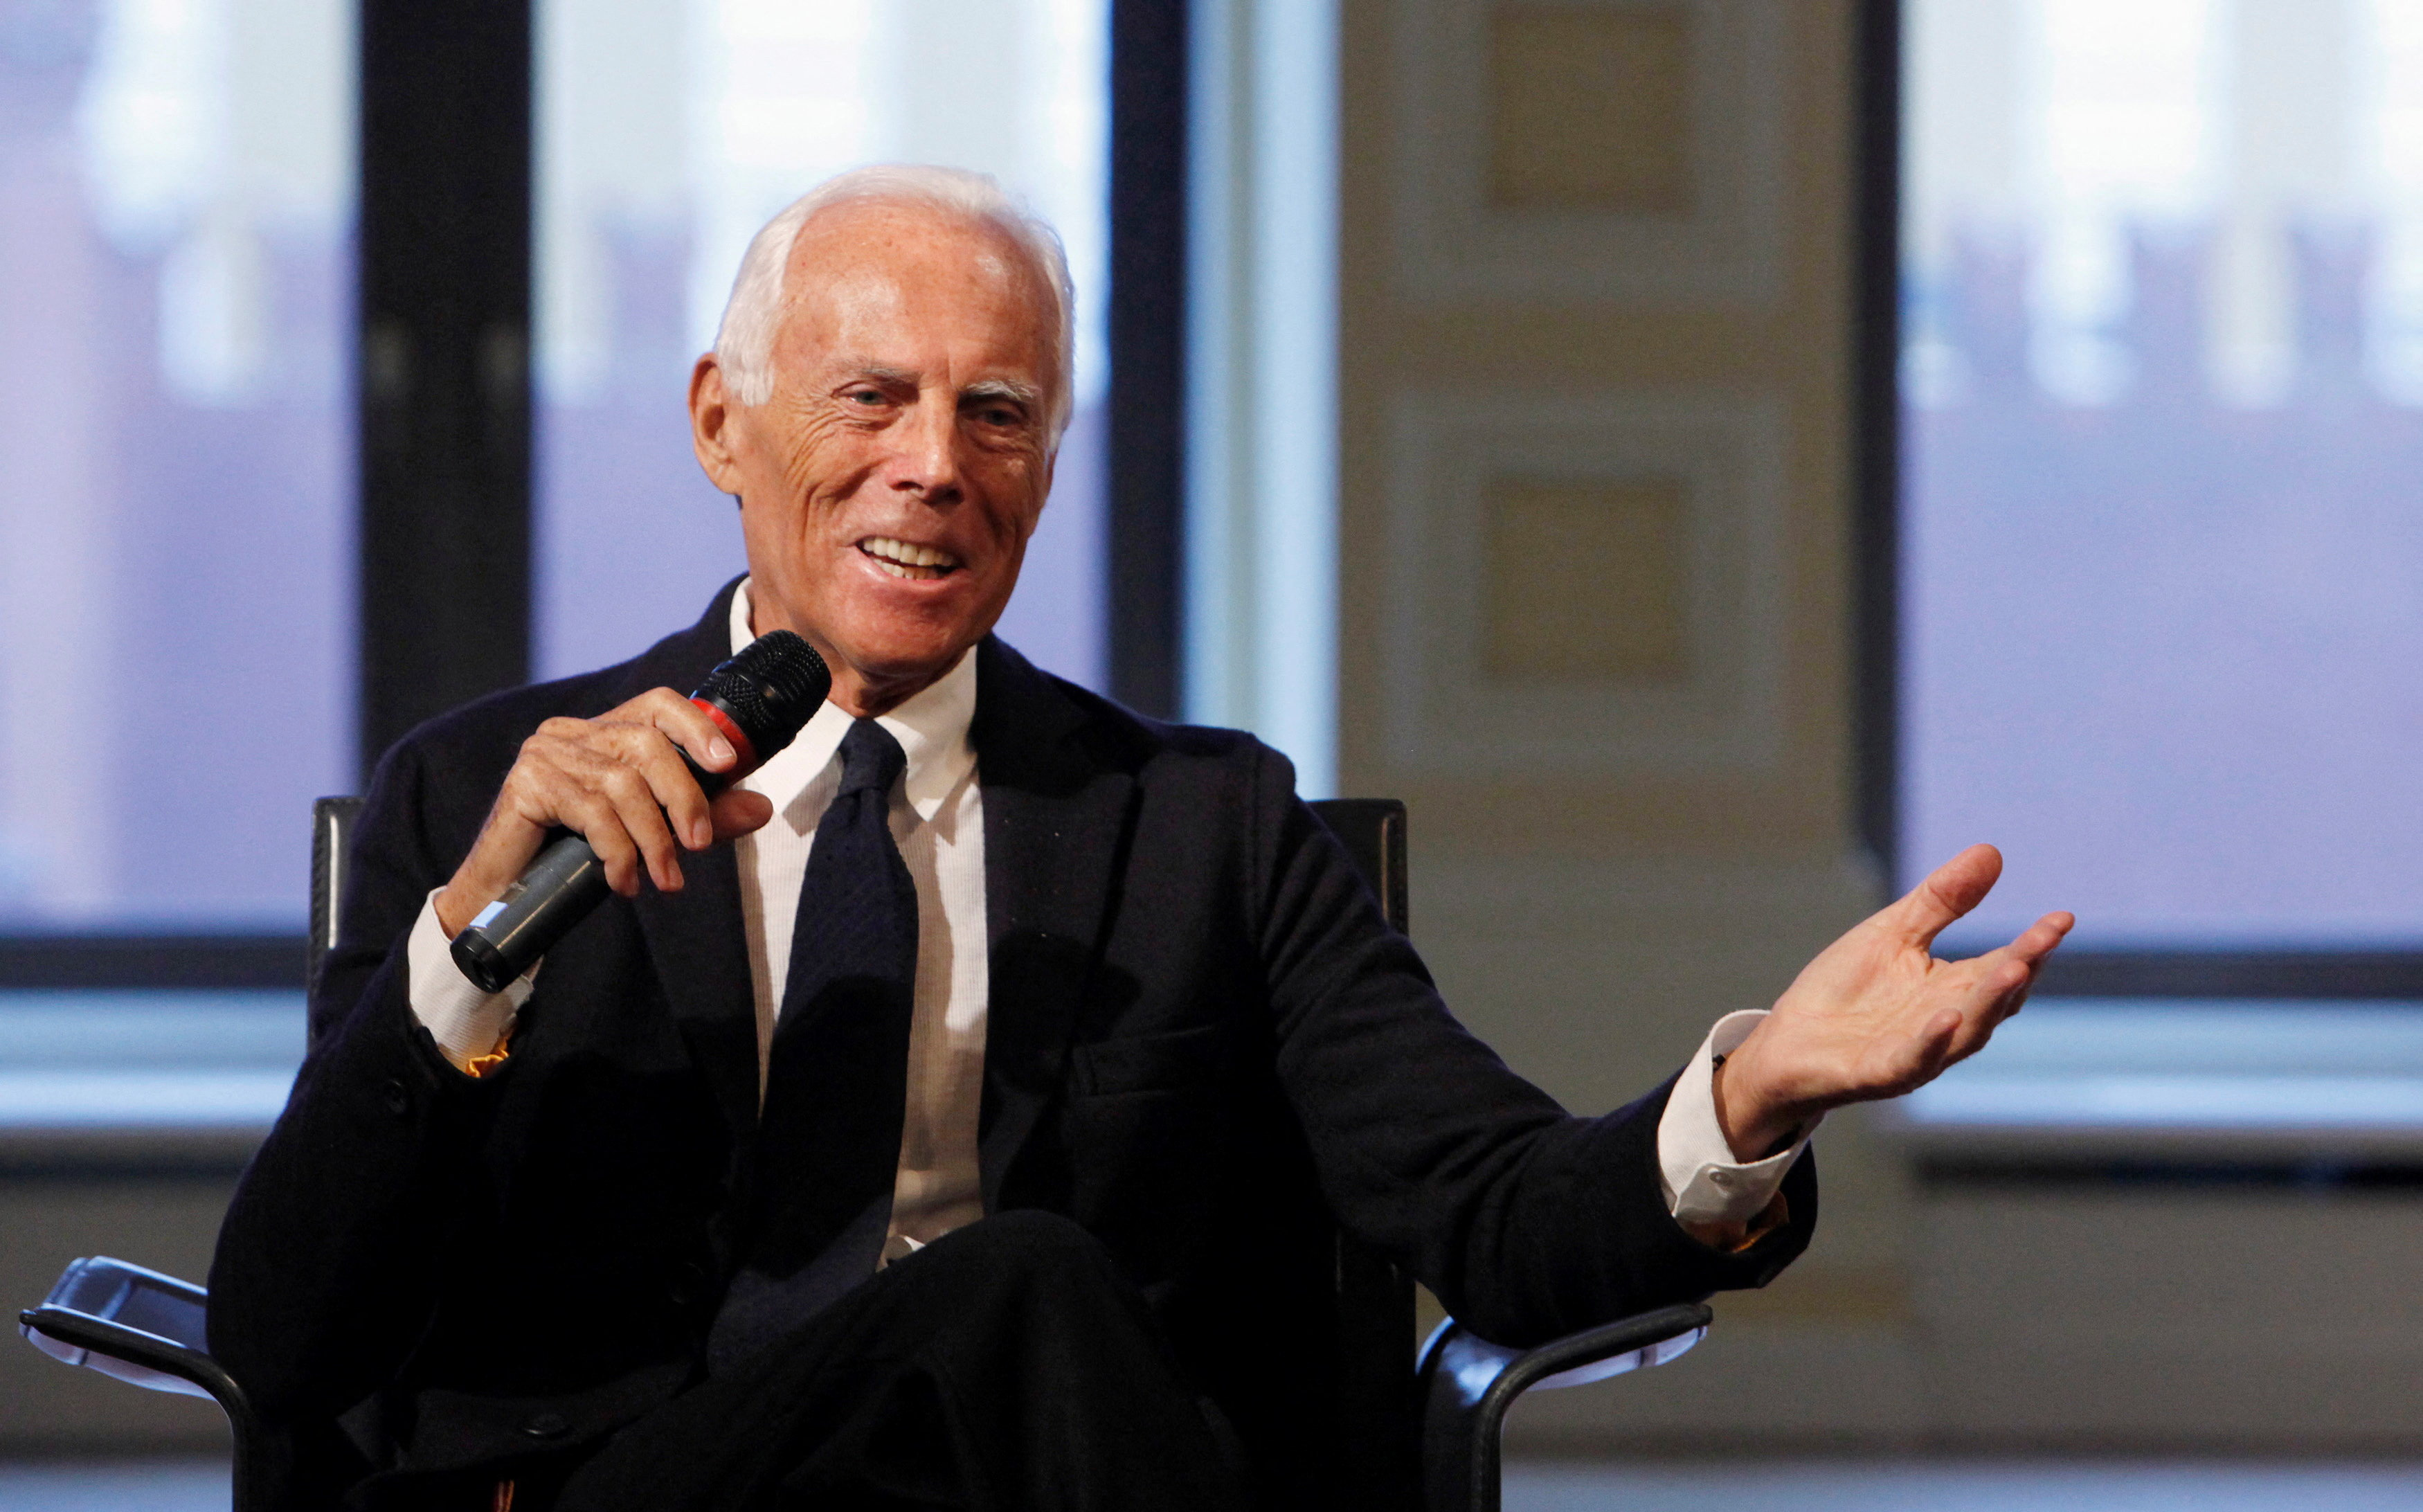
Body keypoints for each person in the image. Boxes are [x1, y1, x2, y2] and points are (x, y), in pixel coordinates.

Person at [208, 165, 2072, 1512]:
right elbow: (290, 1333)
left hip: (1028, 1486)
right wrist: (469, 948)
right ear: (723, 421)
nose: (935, 461)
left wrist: (1750, 1099)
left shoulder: (1197, 831)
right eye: (869, 396)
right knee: (1016, 1283)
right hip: (631, 1490)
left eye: (997, 412)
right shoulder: (486, 798)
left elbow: (1490, 1217)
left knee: (1023, 1313)